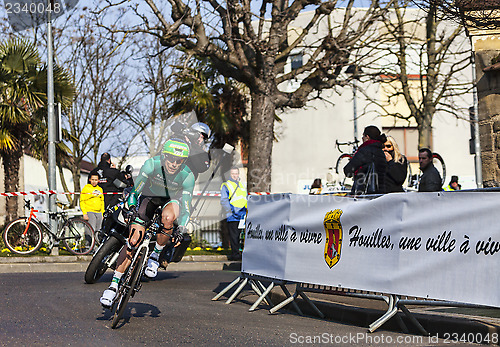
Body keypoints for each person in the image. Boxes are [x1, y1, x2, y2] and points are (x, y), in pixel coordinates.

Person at [100, 138, 195, 308]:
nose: (174, 164)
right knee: (133, 240)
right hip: (149, 198)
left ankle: (155, 256)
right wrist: (130, 209)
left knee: (168, 219)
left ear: (184, 162)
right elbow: (135, 192)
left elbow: (187, 207)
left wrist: (181, 227)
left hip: (170, 201)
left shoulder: (187, 176)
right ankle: (113, 286)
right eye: (171, 159)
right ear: (164, 156)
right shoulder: (151, 165)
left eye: (179, 161)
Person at [343, 125, 387, 195]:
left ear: (367, 137)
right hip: (380, 192)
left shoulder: (364, 151)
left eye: (363, 136)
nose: (362, 138)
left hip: (364, 191)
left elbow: (348, 169)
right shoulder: (381, 152)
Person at [220, 166, 247, 261]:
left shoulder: (242, 185)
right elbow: (224, 200)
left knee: (243, 236)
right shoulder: (226, 185)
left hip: (243, 215)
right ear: (230, 174)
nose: (235, 176)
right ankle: (235, 254)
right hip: (233, 215)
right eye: (233, 174)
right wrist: (230, 212)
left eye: (236, 173)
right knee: (234, 236)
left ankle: (242, 253)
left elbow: (245, 198)